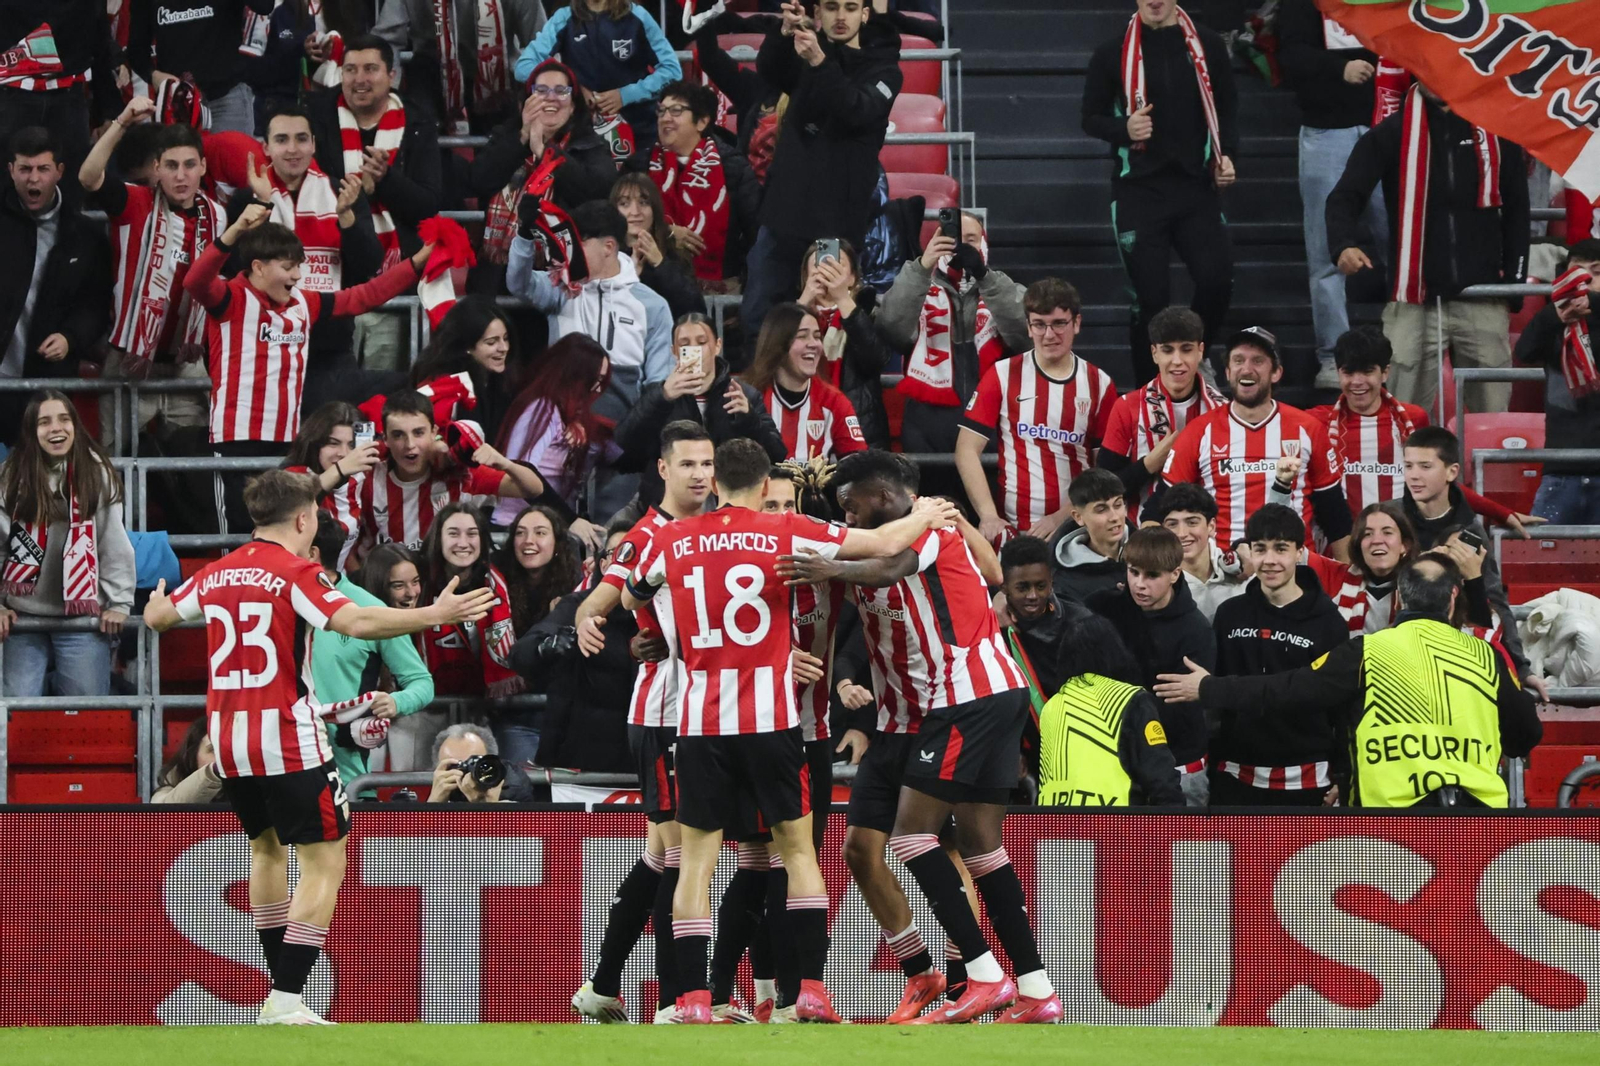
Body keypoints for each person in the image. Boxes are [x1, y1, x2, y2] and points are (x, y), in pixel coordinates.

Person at [622, 439, 959, 1024]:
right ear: (759, 488)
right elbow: (881, 544)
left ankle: (696, 1001)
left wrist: (656, 620)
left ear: (714, 483)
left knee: (697, 860)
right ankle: (809, 990)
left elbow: (631, 593)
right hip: (774, 723)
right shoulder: (786, 531)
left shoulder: (671, 539)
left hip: (700, 724)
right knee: (799, 854)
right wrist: (927, 513)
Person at [142, 469, 494, 1025]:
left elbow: (159, 616)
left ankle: (282, 994)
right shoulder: (295, 571)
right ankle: (285, 998)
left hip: (230, 740)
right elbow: (352, 618)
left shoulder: (216, 573)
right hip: (286, 736)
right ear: (303, 519)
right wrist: (432, 614)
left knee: (265, 849)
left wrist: (157, 603)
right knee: (326, 859)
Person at [778, 446, 1061, 1024]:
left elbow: (894, 566)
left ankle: (980, 976)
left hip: (963, 696)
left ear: (882, 496)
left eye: (851, 506)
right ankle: (1034, 989)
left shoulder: (925, 524)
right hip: (907, 716)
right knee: (966, 845)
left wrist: (833, 565)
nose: (848, 518)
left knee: (913, 840)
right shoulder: (876, 538)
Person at [1159, 556, 1541, 808]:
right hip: (1478, 825)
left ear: (1400, 597)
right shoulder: (1485, 656)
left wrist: (1209, 688)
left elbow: (1287, 690)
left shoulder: (1367, 651)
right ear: (1453, 598)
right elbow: (1525, 735)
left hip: (1389, 824)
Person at [569, 420, 715, 1025]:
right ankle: (674, 1001)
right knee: (682, 856)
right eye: (687, 465)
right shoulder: (647, 535)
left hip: (705, 713)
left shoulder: (715, 529)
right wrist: (588, 621)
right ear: (662, 469)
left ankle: (602, 987)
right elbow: (598, 601)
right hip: (664, 714)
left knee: (661, 856)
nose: (700, 475)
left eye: (706, 464)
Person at [182, 204, 432, 533]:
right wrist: (236, 229)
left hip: (288, 442)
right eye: (288, 267)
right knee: (242, 539)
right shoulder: (231, 298)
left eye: (298, 267)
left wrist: (416, 264)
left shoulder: (304, 301)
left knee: (284, 533)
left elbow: (365, 296)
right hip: (235, 441)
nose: (297, 276)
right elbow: (195, 280)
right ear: (258, 267)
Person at [1325, 81, 1529, 415]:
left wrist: (1514, 285)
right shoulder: (1393, 132)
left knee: (1491, 418)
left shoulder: (1496, 130)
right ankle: (1407, 470)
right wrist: (1343, 245)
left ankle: (1487, 471)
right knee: (1405, 415)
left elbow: (1518, 210)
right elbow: (1344, 196)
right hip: (1413, 297)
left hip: (1482, 294)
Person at [1081, 0, 1238, 381]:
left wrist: (1227, 156)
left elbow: (1228, 108)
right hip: (1139, 191)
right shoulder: (1111, 52)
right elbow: (1090, 117)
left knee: (1217, 279)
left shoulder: (1209, 45)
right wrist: (1124, 129)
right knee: (1150, 302)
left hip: (1194, 187)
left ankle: (1196, 358)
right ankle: (1148, 393)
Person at [740, 0, 902, 357]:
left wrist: (818, 61)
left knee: (828, 327)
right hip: (782, 219)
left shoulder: (886, 72)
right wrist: (784, 33)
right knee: (759, 320)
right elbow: (770, 71)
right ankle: (759, 407)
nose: (840, 16)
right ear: (818, 14)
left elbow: (855, 109)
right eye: (830, 7)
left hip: (834, 230)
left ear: (865, 13)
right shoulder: (807, 56)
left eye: (849, 7)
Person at [1176, 503, 1349, 806]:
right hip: (1234, 777)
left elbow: (1342, 709)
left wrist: (1346, 774)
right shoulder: (1230, 614)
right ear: (1250, 552)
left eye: (1281, 549)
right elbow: (1215, 708)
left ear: (1299, 552)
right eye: (1260, 549)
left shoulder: (1329, 621)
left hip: (1310, 783)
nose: (1269, 560)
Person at [81, 103, 224, 443]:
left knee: (190, 471)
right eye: (171, 166)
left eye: (190, 165)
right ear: (157, 168)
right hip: (128, 360)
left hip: (187, 363)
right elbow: (88, 177)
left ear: (203, 167)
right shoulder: (135, 202)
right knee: (117, 466)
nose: (180, 175)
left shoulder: (219, 217)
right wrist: (122, 120)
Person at [1157, 326, 1353, 558]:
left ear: (1276, 372)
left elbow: (1335, 516)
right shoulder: (1199, 431)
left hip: (1295, 571)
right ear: (1228, 372)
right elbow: (1161, 509)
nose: (1247, 369)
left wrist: (1347, 583)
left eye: (1258, 361)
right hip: (1223, 574)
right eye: (1238, 360)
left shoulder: (1307, 429)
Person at [239, 104, 384, 414]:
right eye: (281, 140)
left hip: (330, 350)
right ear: (265, 146)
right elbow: (237, 267)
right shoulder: (247, 198)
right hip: (265, 348)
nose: (292, 149)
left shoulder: (343, 192)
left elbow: (368, 266)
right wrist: (261, 204)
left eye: (301, 139)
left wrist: (345, 217)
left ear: (314, 144)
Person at [308, 34, 442, 369]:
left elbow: (429, 205)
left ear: (391, 75)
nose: (359, 79)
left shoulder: (417, 122)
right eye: (350, 69)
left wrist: (386, 180)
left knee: (381, 391)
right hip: (331, 278)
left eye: (370, 69)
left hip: (394, 280)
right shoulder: (316, 115)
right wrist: (350, 193)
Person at [958, 278, 1117, 546]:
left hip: (1078, 528)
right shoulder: (1002, 374)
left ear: (1076, 323)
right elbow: (966, 449)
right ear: (1029, 328)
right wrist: (988, 516)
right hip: (1015, 530)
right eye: (1039, 325)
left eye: (1058, 324)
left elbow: (1106, 470)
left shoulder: (1099, 384)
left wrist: (1062, 517)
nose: (1049, 334)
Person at [1277, 0, 1385, 388]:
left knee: (1403, 244)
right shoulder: (1303, 6)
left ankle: (1406, 347)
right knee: (1326, 251)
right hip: (1327, 131)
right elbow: (1289, 56)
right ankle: (1333, 357)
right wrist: (1339, 68)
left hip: (1387, 124)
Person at [0, 391, 135, 697]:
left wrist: (119, 603)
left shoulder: (97, 472)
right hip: (23, 615)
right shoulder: (9, 476)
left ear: (75, 425)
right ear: (31, 432)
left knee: (84, 707)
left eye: (64, 419)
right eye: (44, 422)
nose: (56, 429)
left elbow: (112, 541)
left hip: (81, 616)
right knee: (18, 709)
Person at [508, 199, 673, 437]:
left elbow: (658, 383)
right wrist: (524, 235)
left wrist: (637, 437)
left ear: (608, 246)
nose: (569, 251)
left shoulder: (652, 305)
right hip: (559, 431)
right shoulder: (561, 288)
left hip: (621, 436)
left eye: (579, 243)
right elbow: (519, 284)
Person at [881, 214, 1029, 454]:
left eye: (970, 239)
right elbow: (891, 329)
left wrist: (984, 277)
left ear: (984, 244)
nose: (961, 246)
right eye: (953, 239)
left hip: (992, 433)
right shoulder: (917, 289)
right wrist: (921, 268)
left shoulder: (1005, 289)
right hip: (925, 435)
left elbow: (1025, 335)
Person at [308, 512, 433, 793]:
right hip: (286, 767)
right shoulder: (279, 604)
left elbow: (422, 683)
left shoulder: (370, 610)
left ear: (311, 553)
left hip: (345, 777)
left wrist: (396, 702)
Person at [1086, 526, 1214, 799]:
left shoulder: (1196, 630)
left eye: (1152, 575)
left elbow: (1181, 709)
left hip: (1178, 766)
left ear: (1175, 574)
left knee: (1179, 845)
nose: (1139, 584)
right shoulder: (1102, 609)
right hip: (1112, 764)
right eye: (1133, 572)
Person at [0, 127, 111, 436]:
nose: (33, 179)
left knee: (42, 475)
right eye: (24, 169)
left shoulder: (85, 235)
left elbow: (97, 303)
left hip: (49, 382)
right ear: (11, 171)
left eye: (42, 169)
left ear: (59, 171)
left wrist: (70, 337)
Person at [612, 313, 787, 508]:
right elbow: (624, 449)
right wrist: (662, 398)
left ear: (717, 346)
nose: (693, 350)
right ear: (674, 351)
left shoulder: (743, 394)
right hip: (670, 508)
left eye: (701, 342)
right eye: (685, 344)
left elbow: (777, 455)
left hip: (731, 506)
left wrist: (749, 419)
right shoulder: (659, 395)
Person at [350, 390, 545, 563]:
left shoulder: (460, 474)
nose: (409, 444)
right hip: (384, 591)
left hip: (444, 586)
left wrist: (504, 463)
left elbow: (533, 489)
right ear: (385, 438)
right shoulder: (368, 476)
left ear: (433, 432)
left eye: (418, 433)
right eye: (398, 435)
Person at [511, 514, 636, 777]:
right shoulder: (575, 605)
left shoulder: (665, 612)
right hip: (576, 761)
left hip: (641, 756)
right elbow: (521, 655)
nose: (628, 562)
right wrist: (550, 645)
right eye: (620, 553)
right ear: (603, 563)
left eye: (636, 553)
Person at [1399, 425, 1529, 674]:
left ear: (1452, 472)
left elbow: (1495, 602)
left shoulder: (1471, 532)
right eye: (1408, 466)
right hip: (1396, 649)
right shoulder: (1389, 520)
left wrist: (1521, 668)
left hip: (1456, 656)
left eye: (1425, 467)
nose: (1413, 475)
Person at [472, 58, 617, 274]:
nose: (551, 98)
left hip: (560, 272)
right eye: (541, 90)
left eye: (561, 91)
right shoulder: (506, 137)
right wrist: (522, 139)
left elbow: (596, 192)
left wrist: (545, 152)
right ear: (525, 104)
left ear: (573, 107)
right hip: (496, 273)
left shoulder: (590, 145)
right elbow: (478, 180)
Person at [1037, 614, 1183, 807]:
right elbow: (1160, 775)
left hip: (1054, 828)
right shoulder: (1129, 699)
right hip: (1115, 827)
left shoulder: (1051, 707)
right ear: (1114, 651)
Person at [1097, 306, 1224, 512]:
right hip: (1142, 537)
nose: (1177, 361)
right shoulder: (1127, 408)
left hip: (1204, 538)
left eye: (1186, 349)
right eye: (1167, 350)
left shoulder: (1222, 410)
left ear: (1200, 351)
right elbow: (1101, 490)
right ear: (1154, 353)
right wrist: (1148, 465)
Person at [513, 0, 683, 149]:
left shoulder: (638, 17)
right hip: (583, 138)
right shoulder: (564, 18)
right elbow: (523, 67)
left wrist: (626, 95)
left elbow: (672, 70)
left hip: (640, 133)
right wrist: (572, 87)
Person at [645, 79, 762, 290]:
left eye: (676, 110)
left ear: (702, 122)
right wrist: (666, 232)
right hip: (655, 283)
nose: (665, 118)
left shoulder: (733, 168)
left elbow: (756, 232)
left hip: (721, 288)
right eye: (661, 111)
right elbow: (623, 224)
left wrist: (744, 284)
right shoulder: (641, 166)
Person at [0, 3, 121, 205]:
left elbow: (100, 43)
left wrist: (108, 110)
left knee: (71, 192)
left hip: (68, 98)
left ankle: (67, 234)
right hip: (13, 96)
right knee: (7, 191)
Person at [1514, 242, 1600, 524]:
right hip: (1562, 470)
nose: (1584, 282)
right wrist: (1554, 313)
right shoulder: (1556, 325)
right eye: (1577, 272)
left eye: (1595, 272)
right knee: (1541, 561)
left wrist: (1594, 304)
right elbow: (1524, 351)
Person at [492, 333, 616, 524]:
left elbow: (623, 455)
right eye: (594, 380)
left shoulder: (570, 417)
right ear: (573, 376)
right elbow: (522, 474)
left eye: (601, 381)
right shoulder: (542, 410)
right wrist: (572, 521)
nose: (598, 390)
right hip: (515, 527)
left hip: (545, 526)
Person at [371, 0, 546, 134]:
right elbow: (385, 40)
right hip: (432, 65)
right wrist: (386, 89)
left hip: (496, 71)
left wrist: (540, 89)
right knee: (420, 128)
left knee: (502, 140)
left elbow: (542, 42)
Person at [418, 503, 523, 707]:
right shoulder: (418, 581)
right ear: (438, 538)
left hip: (488, 704)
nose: (463, 543)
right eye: (453, 534)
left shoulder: (499, 581)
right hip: (425, 704)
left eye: (472, 534)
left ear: (482, 540)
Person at [356, 542, 445, 771]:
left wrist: (398, 702)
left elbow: (423, 683)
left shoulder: (423, 617)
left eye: (415, 582)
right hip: (357, 730)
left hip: (405, 727)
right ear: (378, 587)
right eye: (399, 585)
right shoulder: (357, 620)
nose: (412, 593)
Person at [743, 302, 869, 463]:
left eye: (817, 336)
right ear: (778, 344)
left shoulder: (834, 401)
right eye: (802, 336)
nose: (814, 344)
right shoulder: (750, 397)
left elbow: (859, 467)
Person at [127, 0, 274, 135]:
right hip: (178, 103)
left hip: (226, 97)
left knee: (234, 162)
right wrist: (153, 75)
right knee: (179, 162)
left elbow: (264, 6)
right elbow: (136, 50)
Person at [282, 401, 383, 569]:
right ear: (315, 444)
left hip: (337, 583)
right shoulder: (293, 475)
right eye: (333, 443)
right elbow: (298, 500)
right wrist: (340, 469)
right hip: (296, 581)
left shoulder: (360, 478)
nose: (343, 453)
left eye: (351, 445)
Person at [407, 296, 522, 443]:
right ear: (467, 347)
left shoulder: (498, 379)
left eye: (505, 339)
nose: (503, 348)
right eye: (491, 342)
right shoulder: (448, 386)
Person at [611, 171, 707, 320]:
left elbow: (695, 308)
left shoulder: (675, 252)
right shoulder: (607, 255)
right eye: (625, 204)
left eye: (643, 203)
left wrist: (660, 263)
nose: (635, 212)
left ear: (654, 209)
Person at [1151, 483, 1246, 621]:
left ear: (1211, 526)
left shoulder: (1241, 571)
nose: (1182, 533)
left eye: (1192, 522)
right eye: (1172, 524)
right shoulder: (1155, 582)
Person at [1051, 468, 1129, 604]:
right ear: (1078, 517)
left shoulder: (1148, 549)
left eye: (1118, 505)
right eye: (1101, 510)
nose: (1115, 517)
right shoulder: (1064, 582)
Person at [426, 722, 537, 803]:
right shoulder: (436, 799)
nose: (466, 773)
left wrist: (486, 806)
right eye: (455, 766)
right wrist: (433, 806)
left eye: (474, 764)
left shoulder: (513, 793)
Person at [151, 716, 226, 803]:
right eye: (213, 750)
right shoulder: (173, 780)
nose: (224, 757)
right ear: (193, 755)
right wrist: (213, 771)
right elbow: (164, 811)